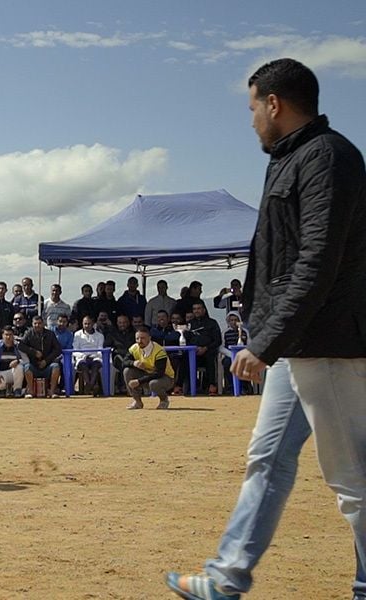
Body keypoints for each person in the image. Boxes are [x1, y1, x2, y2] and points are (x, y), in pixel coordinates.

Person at [167, 58, 366, 600]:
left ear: (274, 103)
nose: (252, 118)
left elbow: (318, 259)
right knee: (268, 458)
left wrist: (265, 340)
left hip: (327, 344)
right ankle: (227, 577)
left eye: (253, 106)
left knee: (354, 484)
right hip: (296, 344)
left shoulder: (327, 158)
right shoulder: (295, 158)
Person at [124, 326, 174, 410]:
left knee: (154, 384)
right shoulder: (134, 348)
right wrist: (134, 363)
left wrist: (139, 381)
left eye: (143, 338)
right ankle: (137, 402)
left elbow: (159, 373)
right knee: (127, 371)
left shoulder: (159, 351)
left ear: (149, 338)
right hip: (148, 375)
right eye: (137, 338)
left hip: (165, 378)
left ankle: (164, 400)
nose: (140, 341)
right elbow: (124, 362)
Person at [18, 315, 62, 398]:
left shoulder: (50, 334)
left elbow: (58, 349)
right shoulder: (29, 333)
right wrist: (34, 352)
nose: (37, 325)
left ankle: (52, 392)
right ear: (32, 324)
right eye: (35, 323)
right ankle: (31, 392)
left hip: (47, 365)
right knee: (27, 367)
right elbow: (21, 346)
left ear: (43, 324)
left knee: (56, 366)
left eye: (39, 323)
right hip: (34, 366)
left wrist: (46, 361)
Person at [0, 326, 30, 397]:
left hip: (13, 373)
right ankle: (5, 390)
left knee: (19, 367)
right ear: (2, 336)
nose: (8, 337)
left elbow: (26, 360)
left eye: (10, 335)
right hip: (0, 373)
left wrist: (18, 361)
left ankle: (17, 390)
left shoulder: (18, 345)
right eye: (6, 335)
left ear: (13, 336)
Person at [73, 316, 104, 396]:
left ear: (93, 324)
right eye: (85, 324)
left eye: (89, 324)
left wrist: (93, 355)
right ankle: (91, 385)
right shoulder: (77, 334)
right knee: (83, 365)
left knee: (96, 365)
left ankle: (89, 386)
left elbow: (100, 350)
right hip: (82, 357)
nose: (87, 326)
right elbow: (75, 350)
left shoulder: (100, 336)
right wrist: (83, 356)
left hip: (95, 357)